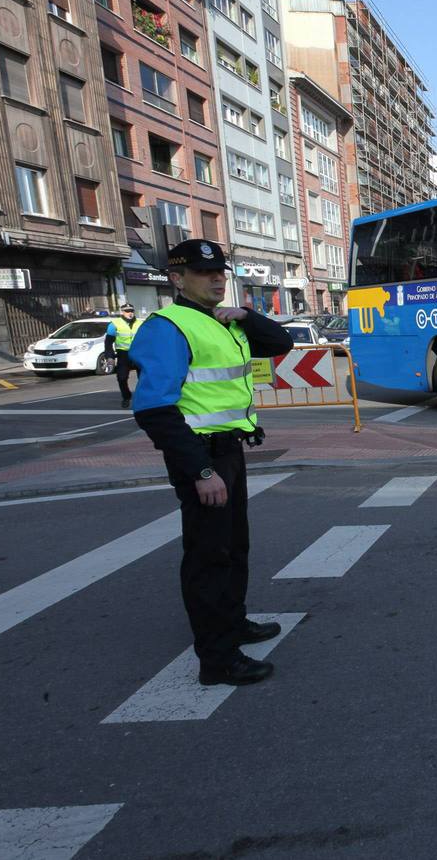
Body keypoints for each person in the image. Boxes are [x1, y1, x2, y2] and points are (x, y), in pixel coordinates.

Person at [129, 239, 294, 687]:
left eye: (221, 271)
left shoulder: (223, 321)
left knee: (234, 546)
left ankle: (233, 624)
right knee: (208, 556)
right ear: (177, 280)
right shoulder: (168, 326)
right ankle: (217, 659)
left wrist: (247, 314)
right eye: (206, 274)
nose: (218, 278)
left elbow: (281, 343)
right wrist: (200, 471)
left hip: (229, 450)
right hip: (201, 455)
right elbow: (154, 410)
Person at [104, 303, 142, 408]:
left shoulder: (140, 323)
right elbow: (108, 342)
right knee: (122, 377)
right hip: (123, 354)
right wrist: (109, 356)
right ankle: (126, 396)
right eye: (127, 311)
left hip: (138, 353)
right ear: (122, 312)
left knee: (143, 377)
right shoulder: (115, 324)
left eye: (131, 311)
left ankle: (142, 396)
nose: (130, 313)